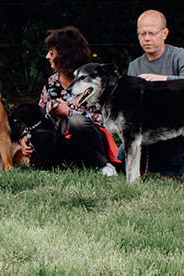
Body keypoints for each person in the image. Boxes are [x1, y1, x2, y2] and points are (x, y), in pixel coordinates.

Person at [21, 25, 117, 173]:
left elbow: (101, 120)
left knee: (76, 121)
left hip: (93, 141)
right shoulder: (52, 82)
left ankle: (104, 165)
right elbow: (38, 116)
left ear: (66, 55)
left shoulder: (92, 79)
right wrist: (26, 137)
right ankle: (53, 166)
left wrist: (68, 113)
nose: (47, 56)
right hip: (63, 142)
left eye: (52, 53)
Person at [125, 10, 184, 180]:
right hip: (148, 125)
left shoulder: (181, 56)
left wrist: (162, 80)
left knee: (167, 122)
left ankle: (172, 174)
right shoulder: (134, 66)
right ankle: (176, 162)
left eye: (152, 33)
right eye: (142, 33)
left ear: (164, 33)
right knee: (124, 152)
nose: (147, 38)